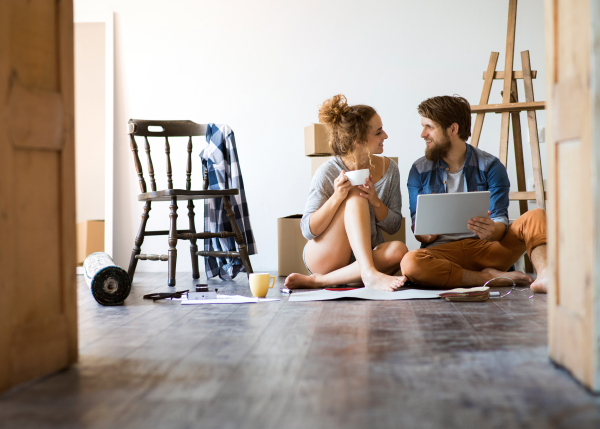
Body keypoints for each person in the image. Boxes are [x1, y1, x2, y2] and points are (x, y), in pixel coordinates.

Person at [399, 95, 548, 293]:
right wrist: (426, 232)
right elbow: (418, 228)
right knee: (410, 263)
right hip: (443, 253)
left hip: (487, 248)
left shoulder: (491, 166)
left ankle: (546, 276)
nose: (423, 134)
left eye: (429, 127)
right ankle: (487, 278)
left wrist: (490, 229)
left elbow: (499, 224)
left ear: (453, 129)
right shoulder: (419, 170)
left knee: (537, 216)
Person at [285, 94, 408, 291]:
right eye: (378, 132)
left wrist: (376, 201)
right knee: (355, 196)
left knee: (399, 250)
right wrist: (337, 197)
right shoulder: (328, 171)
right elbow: (308, 230)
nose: (385, 136)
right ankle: (367, 273)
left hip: (366, 256)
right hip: (327, 256)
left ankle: (322, 281)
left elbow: (394, 226)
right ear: (358, 140)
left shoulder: (390, 169)